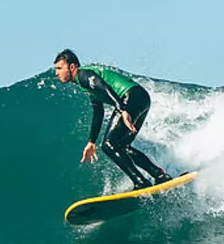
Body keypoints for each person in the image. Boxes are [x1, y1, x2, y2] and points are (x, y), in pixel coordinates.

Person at [53, 49, 171, 190]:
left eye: (60, 68)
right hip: (141, 98)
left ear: (72, 67)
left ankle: (140, 182)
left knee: (109, 145)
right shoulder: (84, 84)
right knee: (122, 146)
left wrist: (123, 110)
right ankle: (159, 175)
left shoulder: (83, 75)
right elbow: (98, 111)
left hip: (131, 97)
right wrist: (91, 142)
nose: (56, 73)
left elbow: (103, 86)